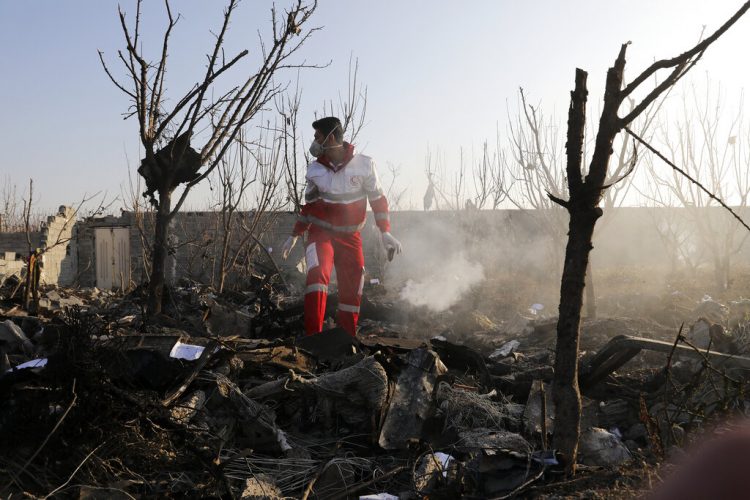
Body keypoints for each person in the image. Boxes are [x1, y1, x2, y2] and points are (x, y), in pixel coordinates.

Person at [281, 116, 402, 336]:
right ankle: (313, 339)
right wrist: (295, 234)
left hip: (350, 236)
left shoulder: (364, 165)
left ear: (332, 137)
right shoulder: (315, 170)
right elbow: (309, 207)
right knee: (317, 277)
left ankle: (346, 339)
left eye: (318, 137)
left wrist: (385, 231)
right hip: (321, 234)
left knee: (353, 284)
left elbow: (377, 199)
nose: (315, 142)